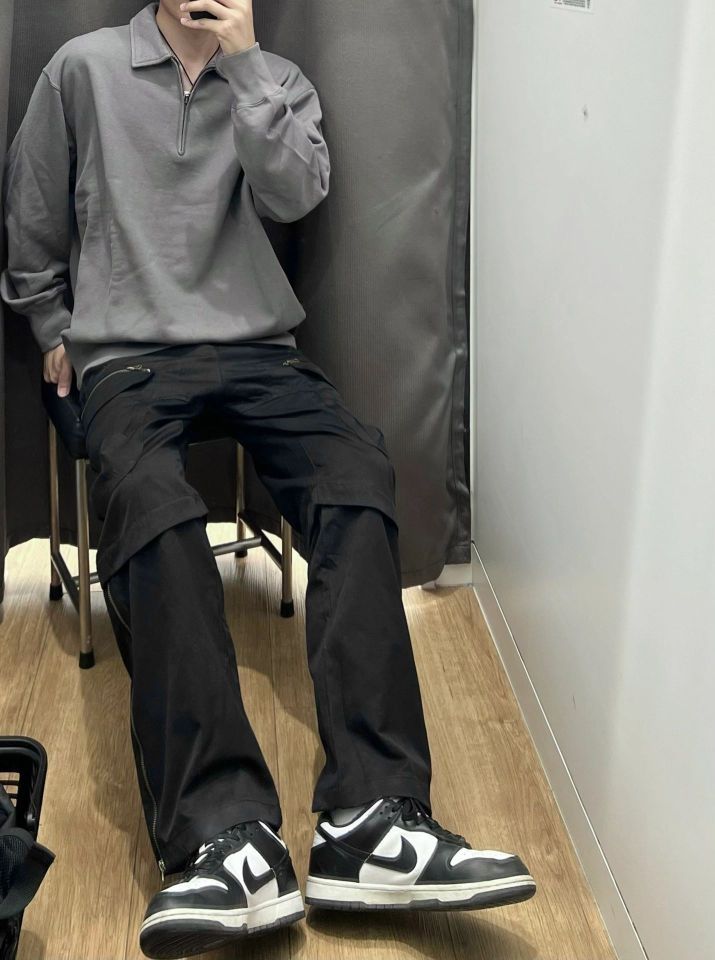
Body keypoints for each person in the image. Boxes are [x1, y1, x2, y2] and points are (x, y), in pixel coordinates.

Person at [0, 1, 536, 957]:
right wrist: (49, 325)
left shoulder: (277, 78)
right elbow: (33, 206)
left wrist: (246, 67)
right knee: (156, 509)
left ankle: (373, 819)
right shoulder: (83, 67)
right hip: (125, 355)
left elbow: (294, 197)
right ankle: (221, 835)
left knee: (356, 472)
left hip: (258, 351)